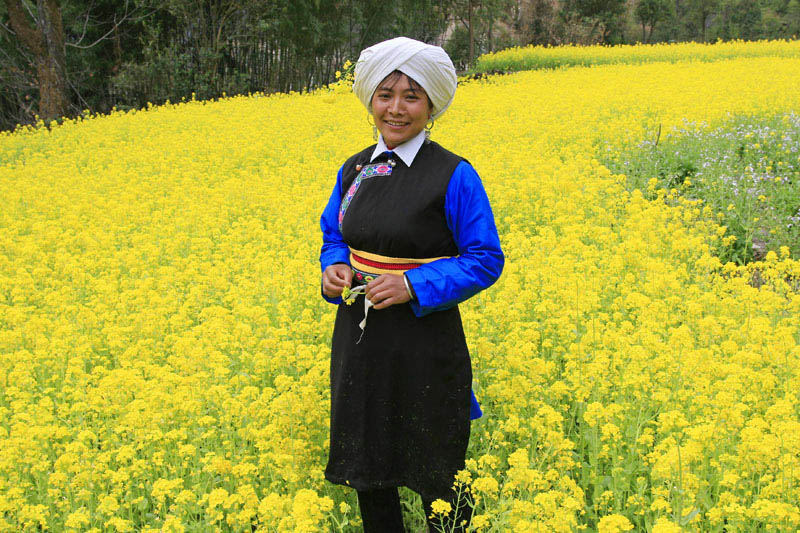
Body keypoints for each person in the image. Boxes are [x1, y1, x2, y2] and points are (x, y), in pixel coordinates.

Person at [319, 36, 504, 533]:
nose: (396, 109)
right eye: (385, 94)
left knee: (438, 466)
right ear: (370, 100)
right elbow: (335, 233)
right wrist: (333, 267)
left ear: (431, 106)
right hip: (359, 339)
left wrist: (414, 285)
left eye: (411, 96)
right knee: (368, 462)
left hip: (426, 342)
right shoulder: (355, 168)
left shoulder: (454, 175)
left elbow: (485, 259)